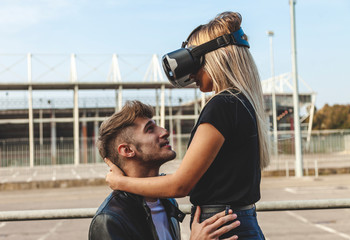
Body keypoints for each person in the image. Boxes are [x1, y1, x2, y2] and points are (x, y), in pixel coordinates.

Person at [104, 11, 270, 239]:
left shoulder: (222, 105)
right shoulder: (242, 103)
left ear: (212, 59)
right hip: (239, 222)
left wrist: (120, 182)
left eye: (193, 58)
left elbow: (180, 186)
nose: (190, 72)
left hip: (220, 226)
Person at [89, 100, 241, 240]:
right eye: (150, 129)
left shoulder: (167, 201)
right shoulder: (109, 219)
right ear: (127, 150)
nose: (164, 131)